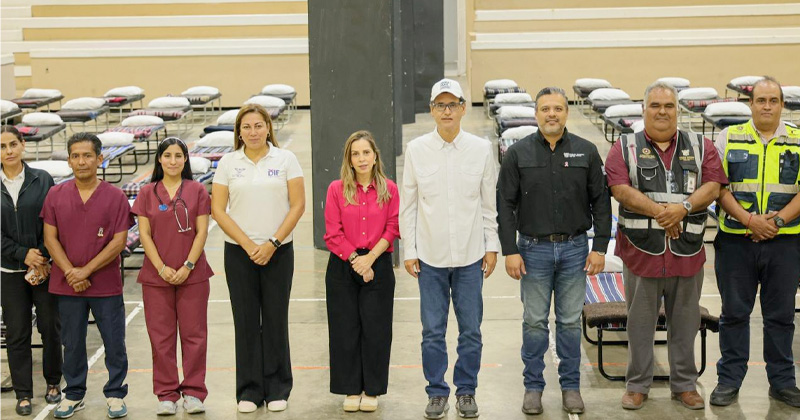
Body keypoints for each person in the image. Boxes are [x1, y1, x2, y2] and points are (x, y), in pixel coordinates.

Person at [604, 81, 726, 411]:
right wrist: (663, 213)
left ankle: (684, 385)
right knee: (639, 323)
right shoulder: (624, 147)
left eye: (668, 106)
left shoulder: (701, 146)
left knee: (685, 323)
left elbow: (713, 186)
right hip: (641, 252)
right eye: (655, 105)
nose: (662, 111)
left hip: (687, 251)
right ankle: (637, 385)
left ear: (677, 110)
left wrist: (682, 209)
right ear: (643, 109)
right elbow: (620, 189)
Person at [497, 87, 611, 415]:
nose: (552, 114)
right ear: (536, 114)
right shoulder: (517, 153)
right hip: (532, 251)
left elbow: (601, 201)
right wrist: (510, 250)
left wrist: (599, 247)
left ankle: (570, 387)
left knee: (570, 322)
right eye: (545, 108)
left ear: (566, 113)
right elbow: (504, 204)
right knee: (534, 322)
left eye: (558, 108)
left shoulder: (586, 151)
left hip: (575, 249)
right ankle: (533, 387)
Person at [400, 78, 500, 419]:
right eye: (440, 105)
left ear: (462, 108)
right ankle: (437, 392)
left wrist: (491, 246)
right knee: (432, 331)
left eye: (452, 104)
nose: (447, 111)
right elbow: (408, 206)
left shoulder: (480, 149)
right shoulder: (416, 150)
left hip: (472, 257)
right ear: (432, 110)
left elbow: (488, 204)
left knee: (471, 330)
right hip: (430, 259)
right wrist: (410, 250)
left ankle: (467, 390)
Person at [710, 76, 800, 408]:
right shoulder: (728, 136)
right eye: (760, 100)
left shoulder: (798, 140)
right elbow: (717, 186)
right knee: (734, 313)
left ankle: (783, 382)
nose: (766, 106)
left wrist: (776, 222)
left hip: (785, 244)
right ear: (750, 104)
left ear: (782, 105)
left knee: (781, 316)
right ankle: (729, 380)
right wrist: (750, 221)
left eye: (773, 100)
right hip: (736, 242)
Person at [211, 104, 305, 413]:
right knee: (246, 321)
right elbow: (218, 210)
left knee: (276, 319)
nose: (253, 132)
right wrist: (249, 245)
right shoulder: (228, 163)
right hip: (239, 253)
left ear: (268, 128)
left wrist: (272, 243)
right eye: (247, 127)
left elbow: (298, 205)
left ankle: (278, 387)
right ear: (239, 132)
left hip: (279, 252)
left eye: (258, 125)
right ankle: (249, 390)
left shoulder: (286, 159)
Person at [41, 132, 134, 419]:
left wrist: (86, 270)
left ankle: (115, 393)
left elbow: (119, 241)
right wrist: (71, 272)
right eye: (76, 156)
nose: (82, 161)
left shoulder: (115, 197)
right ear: (69, 161)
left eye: (87, 155)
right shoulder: (55, 195)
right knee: (72, 343)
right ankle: (74, 394)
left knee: (114, 341)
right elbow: (50, 238)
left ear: (99, 158)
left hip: (105, 285)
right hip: (67, 284)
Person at [131, 137, 214, 416]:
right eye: (167, 155)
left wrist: (188, 265)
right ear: (159, 159)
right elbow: (144, 234)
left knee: (194, 336)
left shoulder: (197, 190)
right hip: (157, 278)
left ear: (186, 159)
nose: (173, 161)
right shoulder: (147, 193)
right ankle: (166, 394)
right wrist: (161, 268)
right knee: (161, 338)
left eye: (179, 156)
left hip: (193, 275)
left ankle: (194, 393)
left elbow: (202, 232)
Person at [323, 130, 400, 413]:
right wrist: (357, 260)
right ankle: (351, 388)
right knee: (345, 329)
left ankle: (372, 389)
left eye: (366, 152)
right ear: (349, 159)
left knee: (376, 330)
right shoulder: (336, 189)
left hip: (378, 262)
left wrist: (370, 260)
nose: (361, 158)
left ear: (375, 156)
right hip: (343, 264)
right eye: (355, 154)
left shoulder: (389, 189)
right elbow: (332, 233)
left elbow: (393, 227)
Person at [1, 126, 62, 416]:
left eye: (13, 144)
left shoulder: (42, 179)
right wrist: (22, 254)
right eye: (2, 147)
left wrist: (42, 254)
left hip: (44, 268)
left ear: (23, 144)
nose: (8, 151)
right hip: (9, 271)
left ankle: (53, 383)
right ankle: (23, 393)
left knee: (50, 327)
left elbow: (54, 220)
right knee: (17, 332)